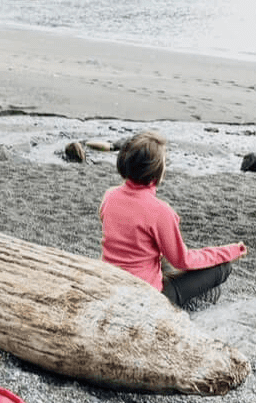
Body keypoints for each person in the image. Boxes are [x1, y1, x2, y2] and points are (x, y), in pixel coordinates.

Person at [99, 130, 247, 308]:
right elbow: (182, 260)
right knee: (223, 268)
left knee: (162, 259)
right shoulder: (160, 211)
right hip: (147, 296)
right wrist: (230, 251)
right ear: (157, 170)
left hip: (111, 284)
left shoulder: (110, 196)